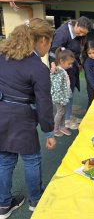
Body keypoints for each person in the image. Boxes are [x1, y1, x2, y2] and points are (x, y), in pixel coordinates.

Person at [0, 18, 56, 218]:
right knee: (31, 159)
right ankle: (35, 200)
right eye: (49, 42)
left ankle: (3, 205)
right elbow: (44, 103)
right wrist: (49, 131)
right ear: (42, 40)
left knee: (5, 160)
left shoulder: (2, 57)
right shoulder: (38, 68)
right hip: (22, 118)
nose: (48, 47)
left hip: (1, 115)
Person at [49, 16, 92, 130]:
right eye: (81, 31)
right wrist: (53, 64)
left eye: (84, 33)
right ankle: (65, 121)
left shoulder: (78, 34)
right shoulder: (62, 33)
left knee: (70, 93)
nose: (82, 35)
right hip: (63, 69)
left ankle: (67, 116)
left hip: (72, 66)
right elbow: (53, 50)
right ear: (76, 24)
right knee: (65, 95)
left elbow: (79, 49)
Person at [51, 47, 75, 137]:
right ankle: (55, 129)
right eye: (69, 63)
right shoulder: (58, 71)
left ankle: (62, 126)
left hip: (63, 97)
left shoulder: (62, 70)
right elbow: (57, 87)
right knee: (60, 112)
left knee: (63, 112)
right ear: (61, 61)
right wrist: (62, 99)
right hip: (60, 98)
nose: (70, 66)